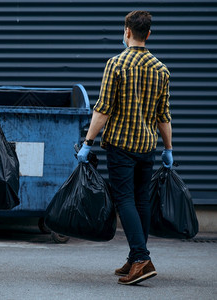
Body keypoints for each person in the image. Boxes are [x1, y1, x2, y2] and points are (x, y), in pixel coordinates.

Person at [77, 11, 173, 285]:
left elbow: (103, 110)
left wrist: (87, 143)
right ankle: (135, 256)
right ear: (149, 34)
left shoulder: (116, 64)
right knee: (141, 200)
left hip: (121, 146)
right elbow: (163, 116)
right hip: (147, 147)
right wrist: (168, 148)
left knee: (125, 200)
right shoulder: (161, 69)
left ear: (127, 32)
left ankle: (141, 259)